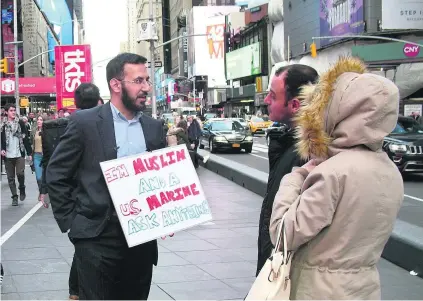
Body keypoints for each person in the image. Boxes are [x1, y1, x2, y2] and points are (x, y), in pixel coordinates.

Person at [269, 57, 404, 299]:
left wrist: (296, 178)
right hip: (364, 288)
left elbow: (282, 234)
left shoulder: (332, 172)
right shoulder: (390, 170)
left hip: (319, 290)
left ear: (340, 109)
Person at [46, 53, 166, 300]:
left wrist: (166, 214)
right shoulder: (85, 123)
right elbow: (57, 173)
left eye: (147, 81)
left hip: (141, 241)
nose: (146, 87)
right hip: (97, 238)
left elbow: (160, 179)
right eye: (139, 80)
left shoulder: (153, 128)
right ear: (116, 84)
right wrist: (72, 222)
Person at [256, 64, 318, 275]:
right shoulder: (290, 144)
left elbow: (293, 228)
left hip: (288, 273)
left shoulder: (311, 154)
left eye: (272, 96)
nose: (266, 101)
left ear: (294, 104)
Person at [42, 82, 102, 301]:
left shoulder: (59, 126)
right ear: (98, 101)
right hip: (90, 206)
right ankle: (77, 292)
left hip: (77, 205)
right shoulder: (98, 126)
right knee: (86, 256)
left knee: (82, 253)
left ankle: (75, 292)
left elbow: (51, 165)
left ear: (75, 104)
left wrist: (44, 191)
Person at [1, 103, 32, 206]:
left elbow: (25, 138)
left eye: (14, 110)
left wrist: (29, 153)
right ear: (6, 112)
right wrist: (2, 149)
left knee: (20, 173)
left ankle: (22, 187)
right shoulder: (2, 125)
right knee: (10, 178)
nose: (13, 112)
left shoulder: (20, 123)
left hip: (19, 153)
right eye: (11, 110)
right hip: (8, 155)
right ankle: (14, 197)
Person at [31, 116, 48, 208]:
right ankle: (42, 191)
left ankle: (43, 193)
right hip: (37, 156)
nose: (39, 121)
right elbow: (32, 143)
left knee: (45, 176)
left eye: (41, 120)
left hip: (45, 156)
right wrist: (31, 154)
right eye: (38, 119)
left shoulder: (47, 131)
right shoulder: (34, 131)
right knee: (39, 177)